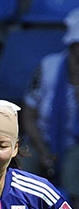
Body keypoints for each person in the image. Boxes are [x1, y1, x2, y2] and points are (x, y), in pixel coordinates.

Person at [23, 7, 79, 197]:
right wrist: (42, 149)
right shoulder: (48, 67)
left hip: (75, 145)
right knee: (22, 167)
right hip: (41, 140)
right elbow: (29, 114)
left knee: (74, 169)